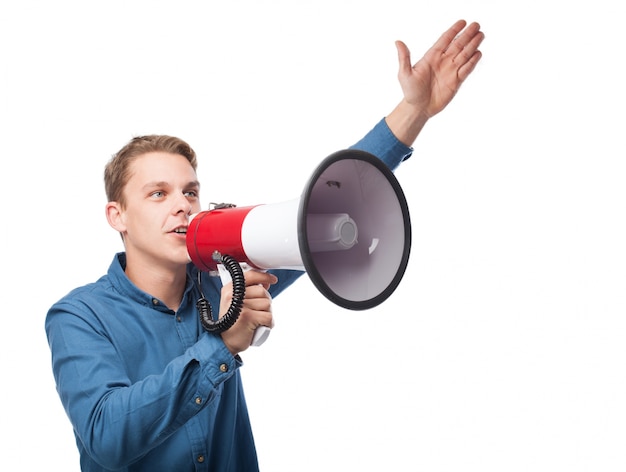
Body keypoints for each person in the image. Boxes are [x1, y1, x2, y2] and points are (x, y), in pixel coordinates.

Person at [45, 19, 484, 471]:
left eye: (190, 192)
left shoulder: (224, 278)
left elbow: (328, 205)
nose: (182, 205)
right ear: (117, 215)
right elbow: (106, 435)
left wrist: (414, 111)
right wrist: (221, 346)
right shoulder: (80, 315)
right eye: (158, 193)